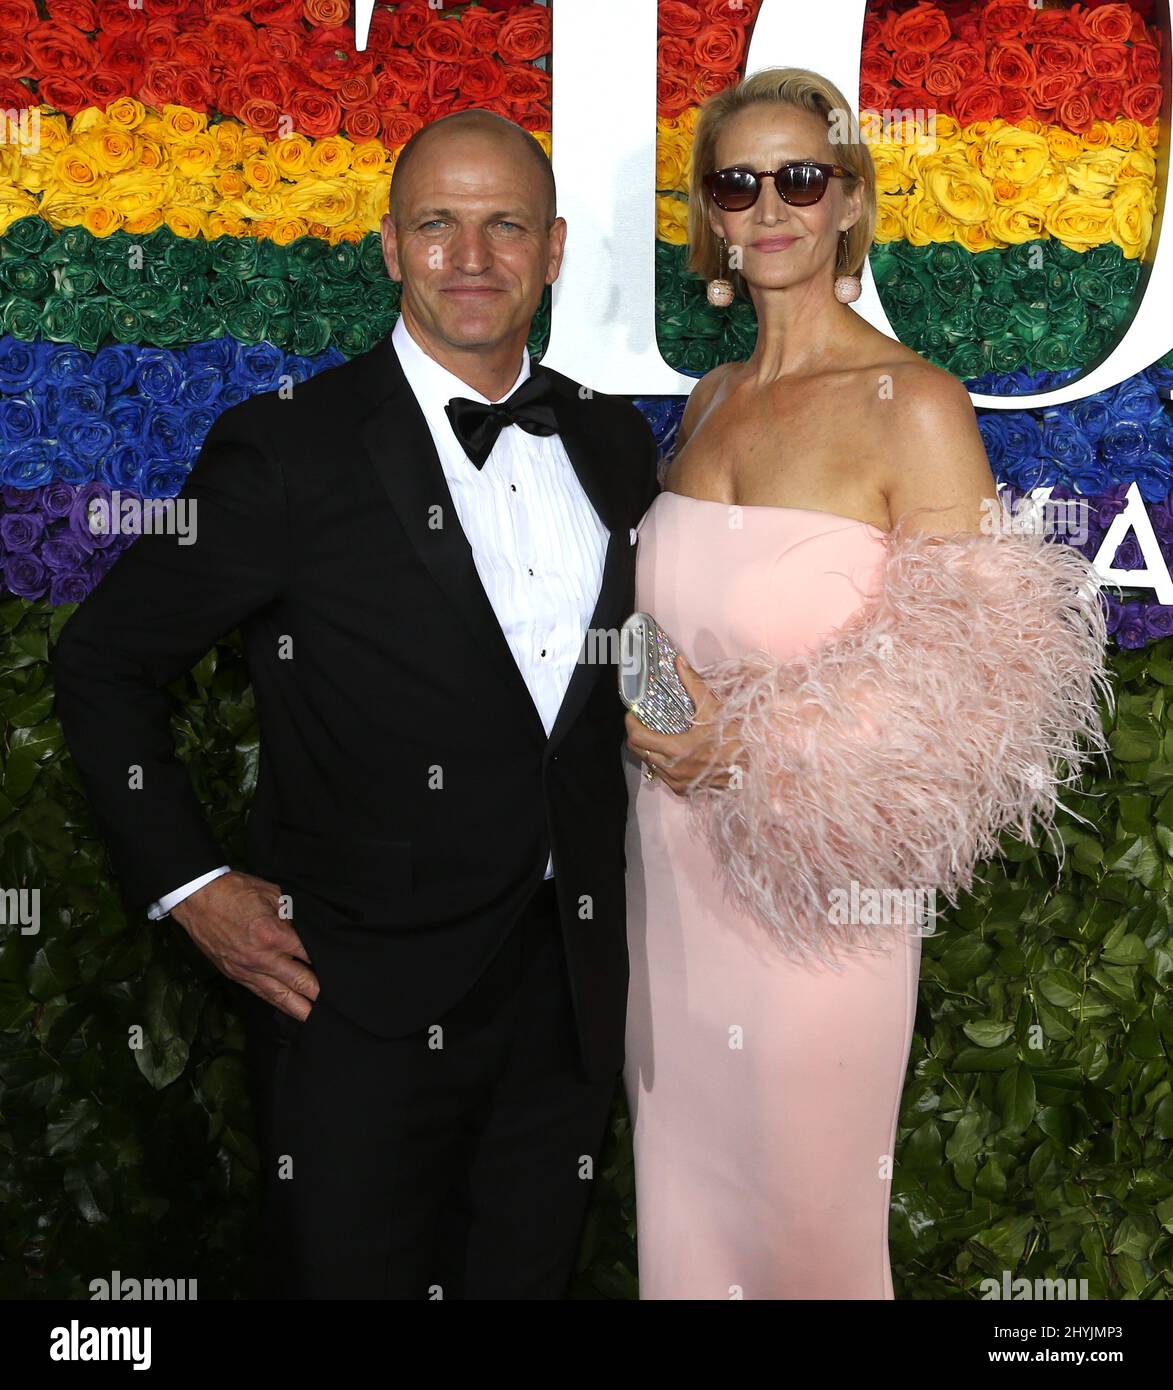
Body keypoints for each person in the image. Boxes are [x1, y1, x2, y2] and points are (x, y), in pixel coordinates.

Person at [51, 108, 659, 1299]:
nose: (471, 257)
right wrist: (191, 886)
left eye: (504, 226)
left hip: (568, 1000)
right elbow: (103, 661)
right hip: (354, 998)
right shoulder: (290, 449)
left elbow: (627, 660)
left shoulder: (611, 440)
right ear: (388, 246)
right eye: (437, 224)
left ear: (555, 248)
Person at [622, 67, 1112, 1300]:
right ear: (711, 217)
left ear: (850, 199)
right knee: (684, 1230)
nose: (773, 204)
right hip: (664, 889)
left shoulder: (917, 404)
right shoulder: (713, 400)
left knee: (804, 1236)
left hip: (813, 912)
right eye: (741, 181)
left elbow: (979, 692)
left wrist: (752, 749)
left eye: (805, 177)